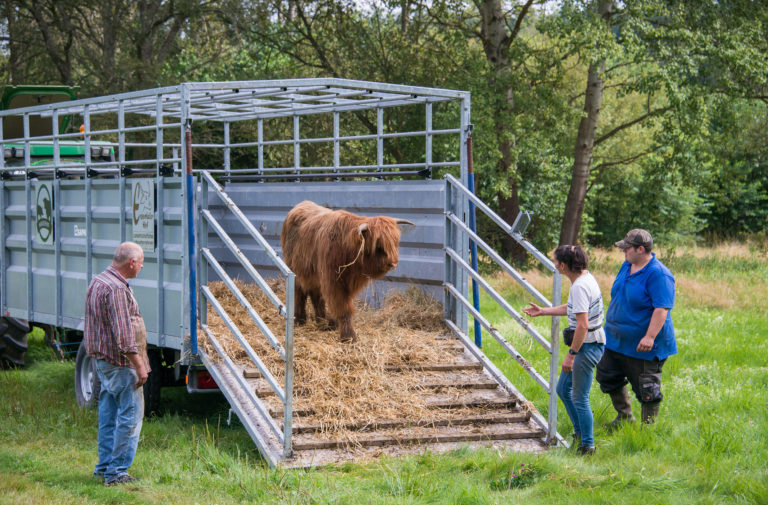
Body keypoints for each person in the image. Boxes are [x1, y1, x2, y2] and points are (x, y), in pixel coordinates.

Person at [524, 245, 605, 455]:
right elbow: (573, 308)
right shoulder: (585, 279)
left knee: (579, 397)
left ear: (562, 265)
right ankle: (580, 434)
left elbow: (583, 324)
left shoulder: (579, 286)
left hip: (586, 347)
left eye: (555, 262)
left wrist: (571, 355)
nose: (554, 265)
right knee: (562, 389)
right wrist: (543, 311)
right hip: (587, 345)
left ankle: (587, 445)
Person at [84, 242, 149, 486]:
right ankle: (117, 473)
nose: (142, 266)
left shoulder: (99, 281)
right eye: (141, 262)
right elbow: (123, 335)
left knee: (108, 415)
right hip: (121, 364)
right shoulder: (116, 290)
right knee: (129, 416)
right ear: (131, 263)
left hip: (103, 361)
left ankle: (103, 467)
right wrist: (139, 365)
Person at [597, 229, 676, 426]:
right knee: (607, 375)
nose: (623, 251)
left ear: (641, 249)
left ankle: (648, 429)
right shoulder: (627, 265)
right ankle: (625, 416)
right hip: (615, 339)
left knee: (646, 388)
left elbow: (661, 309)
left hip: (643, 344)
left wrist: (649, 337)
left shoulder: (659, 274)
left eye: (627, 248)